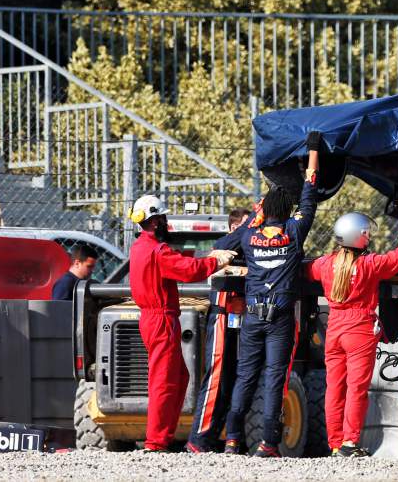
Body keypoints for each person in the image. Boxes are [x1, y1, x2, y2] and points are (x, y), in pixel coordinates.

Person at [224, 131, 321, 457]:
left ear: (265, 210)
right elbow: (309, 196)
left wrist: (257, 213)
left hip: (251, 316)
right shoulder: (293, 232)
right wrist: (313, 153)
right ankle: (268, 443)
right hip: (279, 318)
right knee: (274, 378)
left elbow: (226, 244)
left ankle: (233, 439)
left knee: (245, 376)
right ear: (287, 210)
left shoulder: (250, 236)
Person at [306, 204, 398, 457]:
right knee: (356, 389)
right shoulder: (370, 264)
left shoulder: (324, 264)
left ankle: (335, 443)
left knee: (334, 387)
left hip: (334, 327)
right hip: (360, 329)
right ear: (361, 235)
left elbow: (307, 270)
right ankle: (349, 442)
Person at [128, 194, 233, 452]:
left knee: (178, 376)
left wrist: (209, 256)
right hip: (161, 319)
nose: (166, 223)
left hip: (153, 318)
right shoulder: (158, 251)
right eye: (163, 219)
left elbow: (181, 261)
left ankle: (162, 437)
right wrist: (216, 261)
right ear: (154, 221)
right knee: (164, 381)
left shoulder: (140, 247)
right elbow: (187, 270)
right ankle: (156, 442)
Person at [186, 206, 258, 453]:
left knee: (236, 378)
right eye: (244, 227)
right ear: (233, 227)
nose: (248, 234)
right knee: (217, 377)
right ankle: (199, 438)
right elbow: (224, 246)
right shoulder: (223, 245)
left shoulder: (250, 247)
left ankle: (223, 438)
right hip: (223, 315)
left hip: (245, 318)